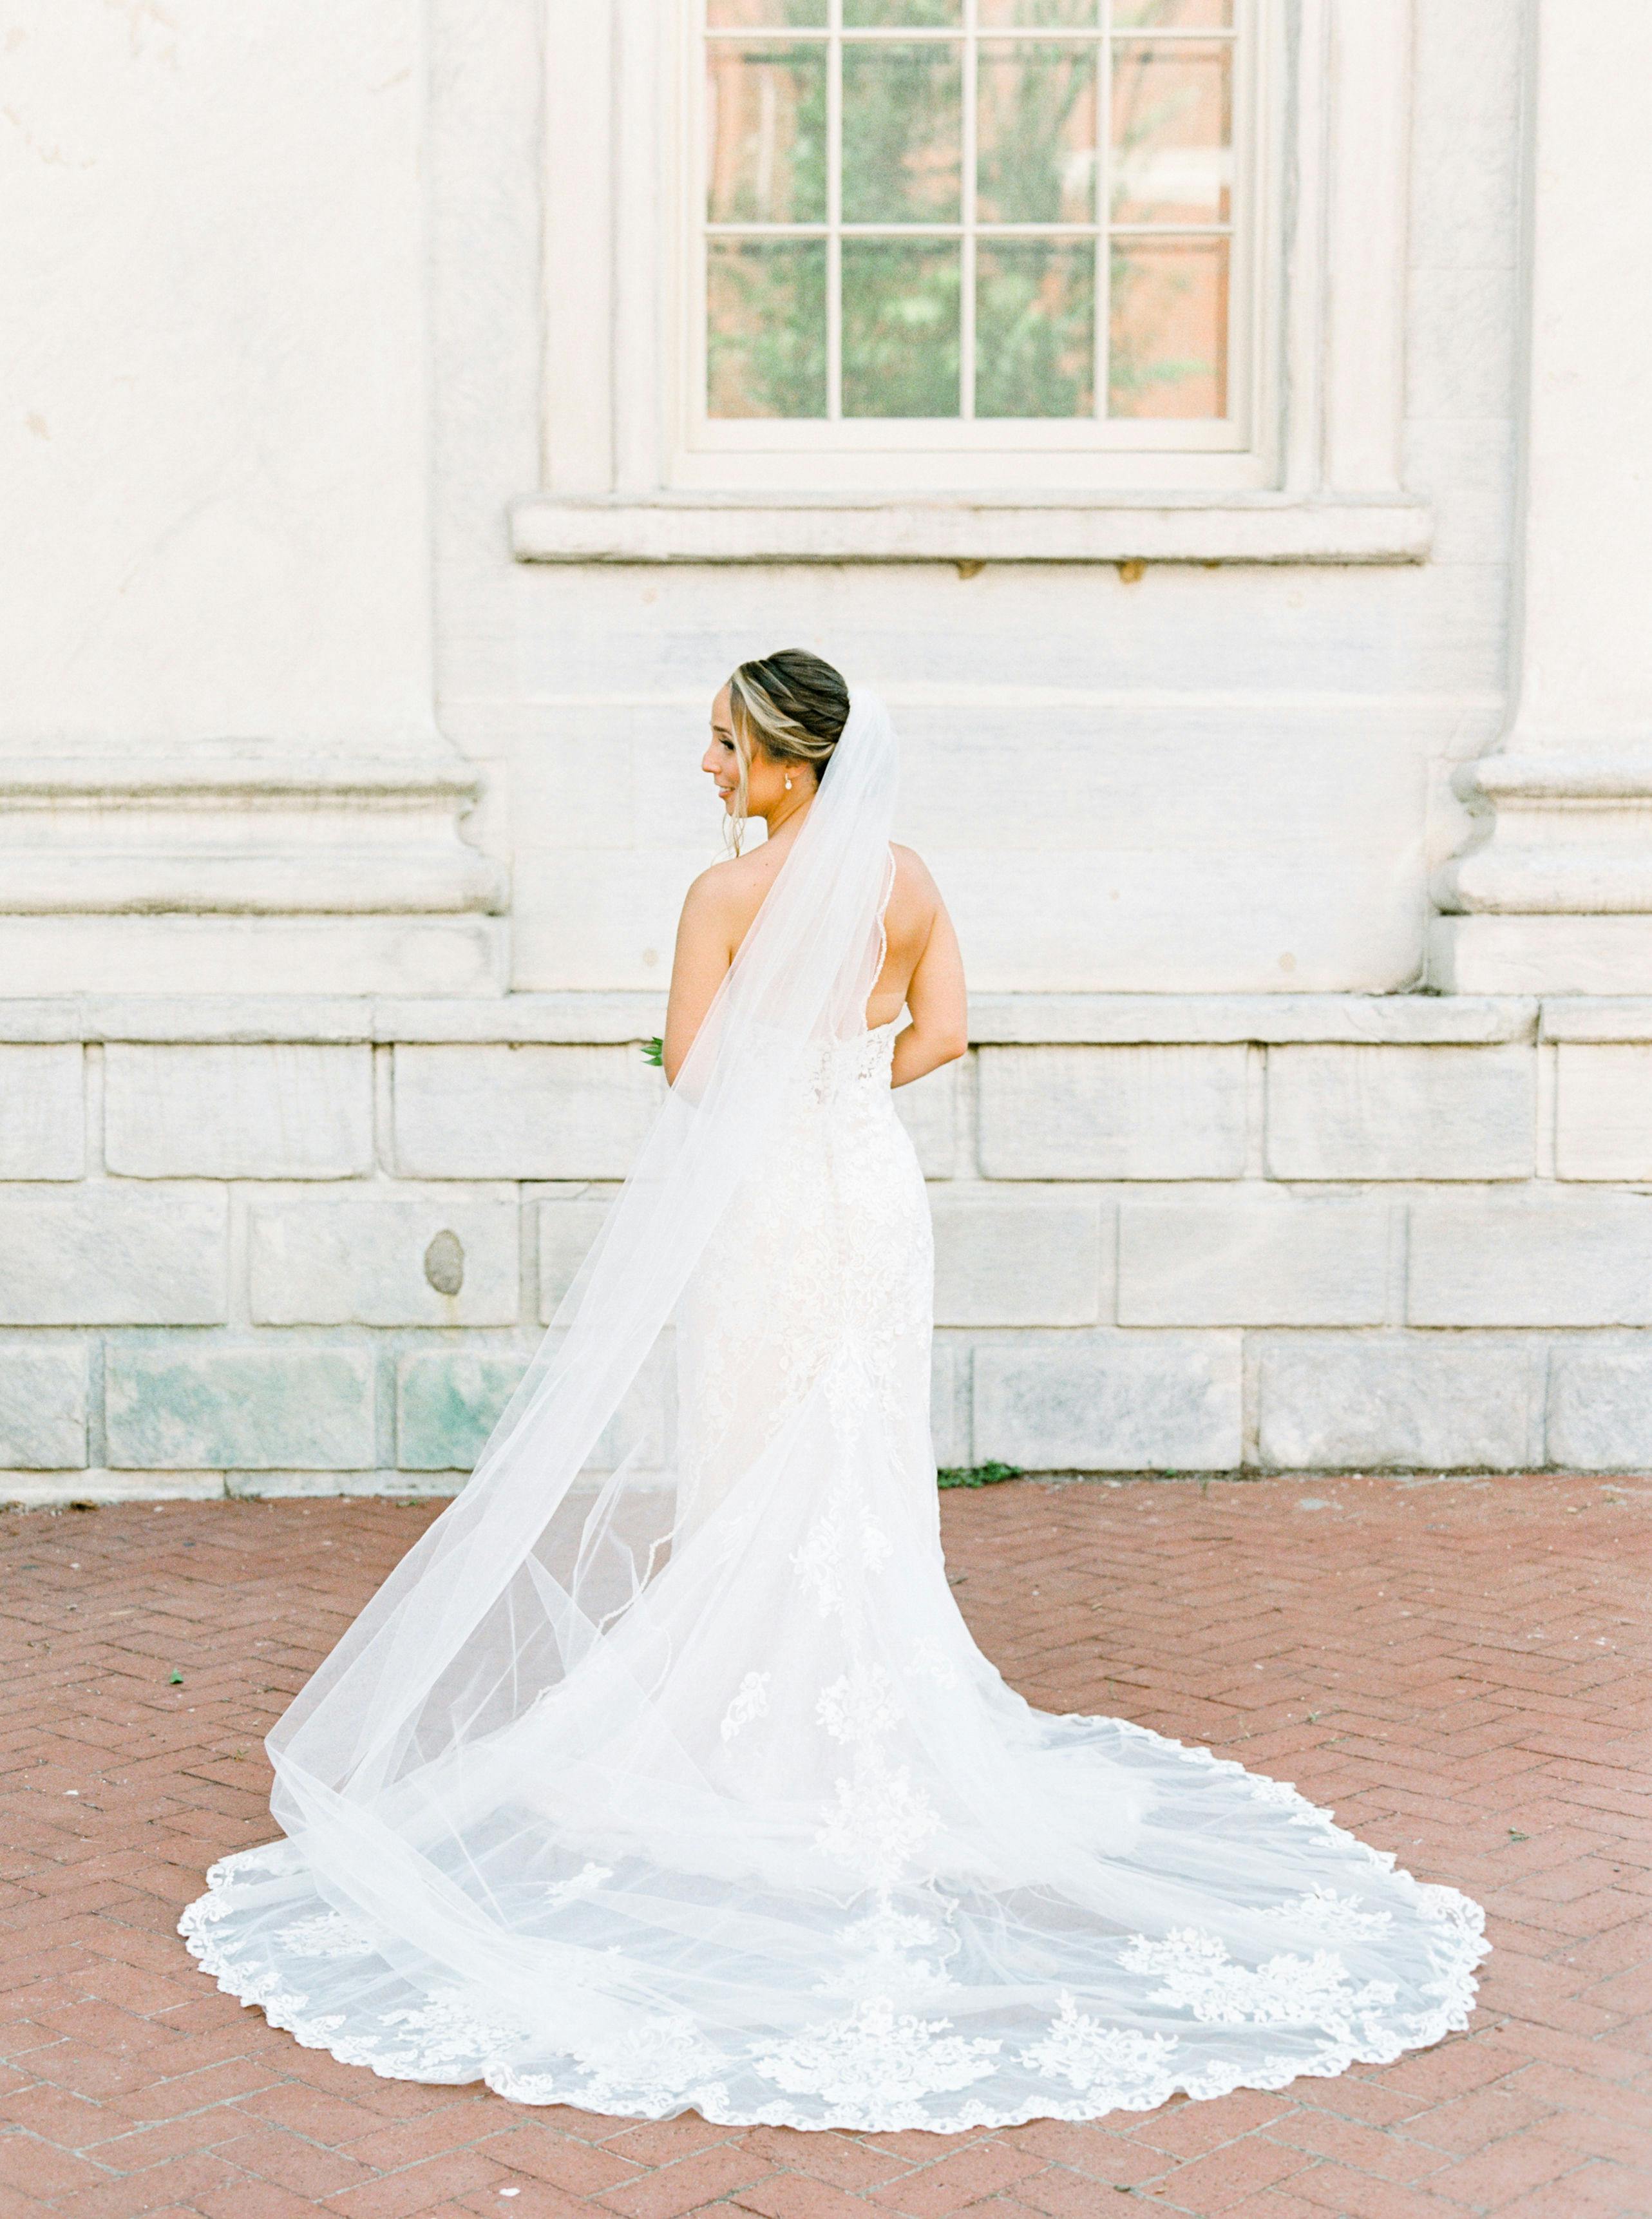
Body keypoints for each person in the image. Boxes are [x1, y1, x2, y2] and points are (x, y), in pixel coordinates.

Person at [182, 652, 1487, 2133]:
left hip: (766, 1204)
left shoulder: (722, 897)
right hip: (869, 1192)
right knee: (858, 1444)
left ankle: (747, 1735)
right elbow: (942, 1031)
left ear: (786, 766)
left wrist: (776, 1084)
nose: (706, 765)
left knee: (751, 1445)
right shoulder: (906, 880)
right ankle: (866, 1726)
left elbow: (691, 1067)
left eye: (722, 743)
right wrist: (844, 1088)